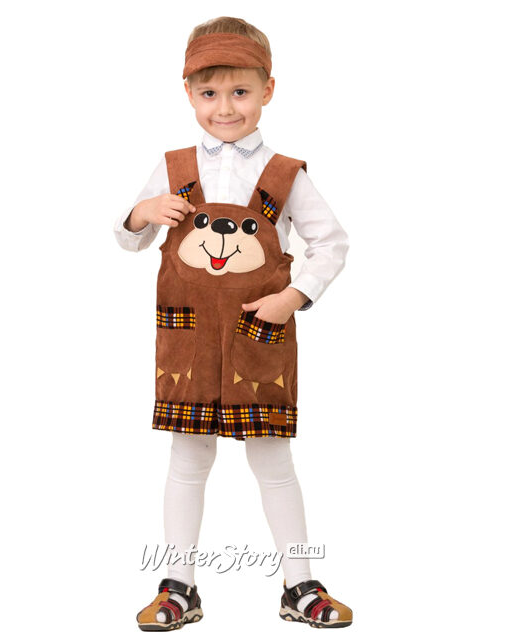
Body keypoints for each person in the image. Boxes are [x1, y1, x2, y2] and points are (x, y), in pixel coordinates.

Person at [114, 16, 353, 631]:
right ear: (188, 93)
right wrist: (141, 212)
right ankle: (178, 586)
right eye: (210, 93)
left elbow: (330, 243)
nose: (225, 108)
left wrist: (294, 296)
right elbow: (130, 240)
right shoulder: (172, 166)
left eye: (240, 91)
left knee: (274, 464)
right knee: (187, 460)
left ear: (268, 90)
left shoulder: (286, 173)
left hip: (258, 338)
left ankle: (299, 584)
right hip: (187, 341)